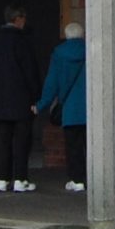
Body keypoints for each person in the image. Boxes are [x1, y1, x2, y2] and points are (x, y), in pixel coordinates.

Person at [0, 5, 39, 192]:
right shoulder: (22, 42)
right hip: (21, 100)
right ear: (18, 19)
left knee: (3, 141)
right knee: (22, 141)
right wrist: (35, 98)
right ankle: (20, 179)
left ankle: (2, 179)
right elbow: (30, 72)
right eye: (23, 18)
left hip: (0, 100)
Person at [37, 22, 88, 193]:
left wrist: (41, 104)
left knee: (73, 146)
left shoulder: (59, 54)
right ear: (82, 35)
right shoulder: (90, 50)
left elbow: (52, 82)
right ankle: (96, 178)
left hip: (71, 110)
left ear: (66, 36)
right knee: (92, 146)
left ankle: (77, 180)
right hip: (91, 109)